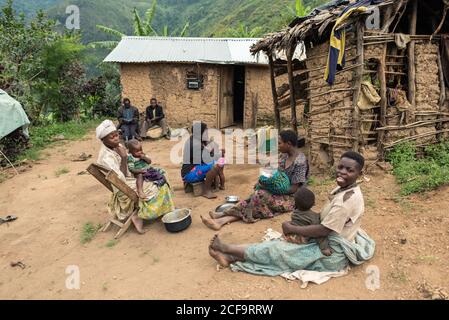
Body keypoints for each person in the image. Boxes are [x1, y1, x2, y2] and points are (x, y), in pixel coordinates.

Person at [208, 151, 375, 277]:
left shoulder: (346, 200)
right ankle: (229, 258)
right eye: (340, 167)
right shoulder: (344, 188)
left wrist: (292, 228)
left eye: (349, 170)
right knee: (279, 247)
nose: (343, 172)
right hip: (326, 238)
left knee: (278, 250)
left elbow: (324, 231)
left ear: (358, 174)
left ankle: (227, 249)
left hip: (332, 252)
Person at [201, 129, 309, 230]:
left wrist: (270, 187)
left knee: (259, 196)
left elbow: (293, 189)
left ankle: (222, 219)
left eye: (280, 143)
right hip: (278, 191)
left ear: (289, 144)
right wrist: (263, 180)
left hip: (290, 198)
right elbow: (273, 173)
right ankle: (222, 216)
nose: (277, 145)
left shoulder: (300, 161)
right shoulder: (284, 156)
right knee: (256, 196)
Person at [96, 120, 174, 234]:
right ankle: (139, 215)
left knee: (162, 173)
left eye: (116, 135)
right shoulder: (106, 157)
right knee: (159, 183)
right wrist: (123, 158)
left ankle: (163, 208)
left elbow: (131, 158)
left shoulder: (116, 145)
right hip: (123, 185)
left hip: (130, 176)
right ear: (103, 140)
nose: (116, 138)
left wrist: (140, 157)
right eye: (111, 137)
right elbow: (120, 179)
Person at [181, 121, 225, 199]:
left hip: (196, 167)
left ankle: (216, 183)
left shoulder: (196, 139)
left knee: (218, 161)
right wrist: (219, 154)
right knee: (216, 165)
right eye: (205, 131)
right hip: (189, 174)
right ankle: (206, 191)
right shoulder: (194, 144)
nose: (207, 132)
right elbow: (207, 159)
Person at [288, 187, 331, 256]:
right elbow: (319, 234)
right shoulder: (313, 217)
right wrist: (324, 248)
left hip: (290, 237)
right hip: (302, 241)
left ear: (295, 203)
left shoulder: (295, 213)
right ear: (313, 203)